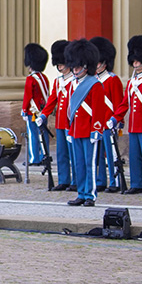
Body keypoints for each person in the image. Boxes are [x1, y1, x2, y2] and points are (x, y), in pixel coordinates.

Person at [111, 35, 142, 195]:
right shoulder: (132, 82)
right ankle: (136, 183)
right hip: (133, 126)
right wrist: (115, 118)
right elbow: (125, 103)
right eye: (134, 60)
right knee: (134, 157)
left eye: (138, 60)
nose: (135, 62)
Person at [64, 39, 108, 206]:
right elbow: (70, 110)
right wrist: (69, 129)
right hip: (76, 130)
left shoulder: (95, 85)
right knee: (79, 164)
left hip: (89, 130)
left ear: (85, 65)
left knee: (90, 165)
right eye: (73, 66)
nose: (75, 70)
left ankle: (90, 195)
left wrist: (96, 130)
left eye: (78, 66)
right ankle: (81, 193)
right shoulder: (72, 85)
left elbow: (98, 110)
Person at [36, 40, 74, 191]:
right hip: (60, 122)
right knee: (61, 153)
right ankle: (64, 179)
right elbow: (52, 100)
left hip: (71, 122)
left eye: (62, 63)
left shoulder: (74, 80)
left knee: (73, 154)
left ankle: (76, 180)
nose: (60, 66)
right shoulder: (58, 81)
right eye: (58, 63)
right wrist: (43, 115)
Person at [89, 36, 124, 193]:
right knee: (98, 156)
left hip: (109, 123)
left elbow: (118, 103)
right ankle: (101, 180)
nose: (96, 66)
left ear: (105, 62)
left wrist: (117, 121)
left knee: (111, 154)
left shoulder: (112, 79)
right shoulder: (93, 80)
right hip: (97, 123)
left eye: (99, 62)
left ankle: (115, 181)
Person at [21, 43, 50, 165]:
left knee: (33, 134)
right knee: (43, 134)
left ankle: (34, 158)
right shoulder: (44, 77)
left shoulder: (31, 78)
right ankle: (45, 155)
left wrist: (24, 110)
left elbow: (27, 96)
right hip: (43, 111)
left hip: (32, 112)